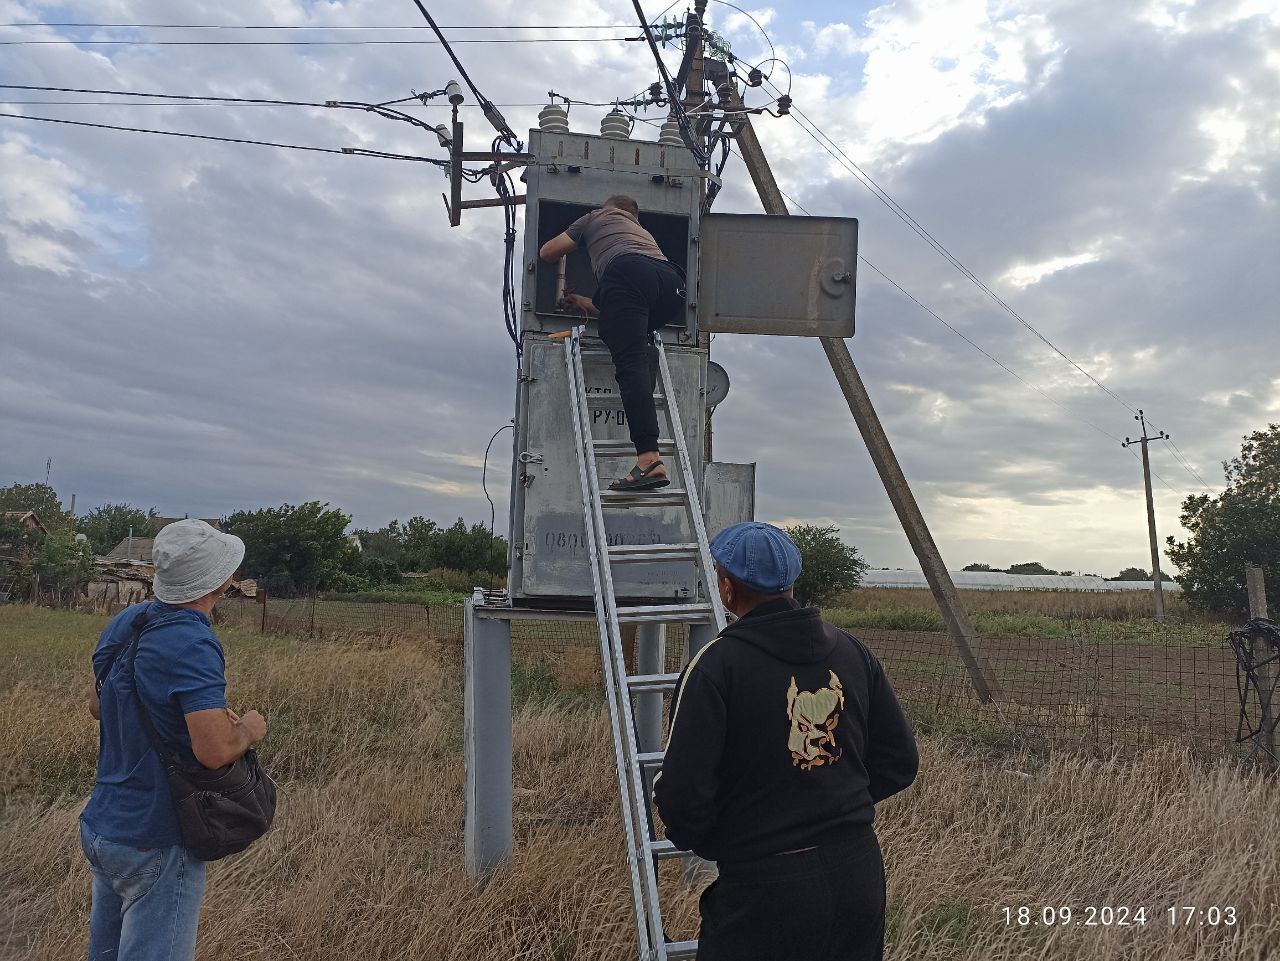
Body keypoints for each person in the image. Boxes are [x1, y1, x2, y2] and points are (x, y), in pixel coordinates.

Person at [653, 522, 919, 961]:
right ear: (792, 583)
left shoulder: (715, 667)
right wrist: (835, 806)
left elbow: (682, 796)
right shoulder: (853, 652)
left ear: (726, 589)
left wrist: (727, 844)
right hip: (857, 875)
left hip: (763, 889)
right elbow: (899, 762)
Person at [82, 519, 268, 961]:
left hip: (105, 826)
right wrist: (249, 729)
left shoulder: (130, 620)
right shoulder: (191, 641)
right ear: (221, 582)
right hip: (157, 837)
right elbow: (215, 751)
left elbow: (95, 703)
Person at [539, 194, 686, 491]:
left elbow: (548, 252)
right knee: (625, 330)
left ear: (609, 207)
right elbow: (627, 304)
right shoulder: (642, 234)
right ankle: (643, 357)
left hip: (627, 277)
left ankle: (649, 459)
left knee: (629, 365)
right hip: (672, 287)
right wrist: (584, 302)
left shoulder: (596, 216)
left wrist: (576, 241)